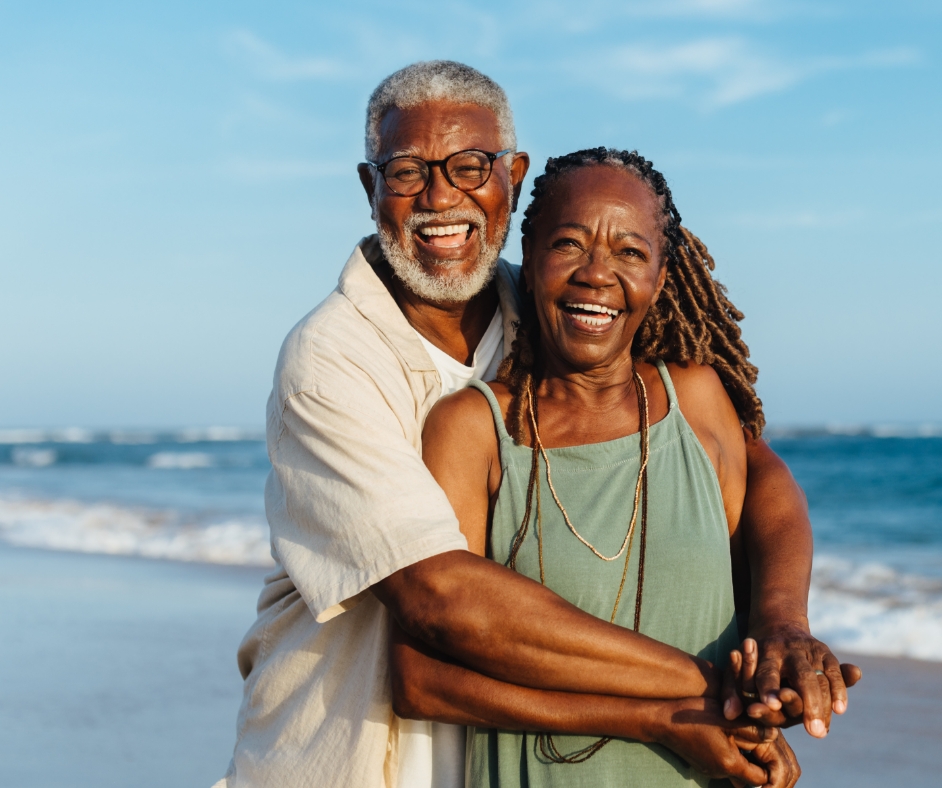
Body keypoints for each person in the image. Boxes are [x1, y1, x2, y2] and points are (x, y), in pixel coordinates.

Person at [216, 61, 854, 788]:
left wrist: (781, 624)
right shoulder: (331, 358)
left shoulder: (552, 306)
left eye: (469, 167)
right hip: (346, 754)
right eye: (406, 173)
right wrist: (709, 690)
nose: (440, 198)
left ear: (511, 179)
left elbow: (746, 458)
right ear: (370, 188)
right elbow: (440, 597)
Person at [394, 148, 831, 787]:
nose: (596, 276)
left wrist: (781, 645)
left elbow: (770, 494)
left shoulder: (698, 400)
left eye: (630, 252)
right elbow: (422, 683)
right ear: (529, 253)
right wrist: (660, 717)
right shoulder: (474, 430)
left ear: (661, 273)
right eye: (569, 245)